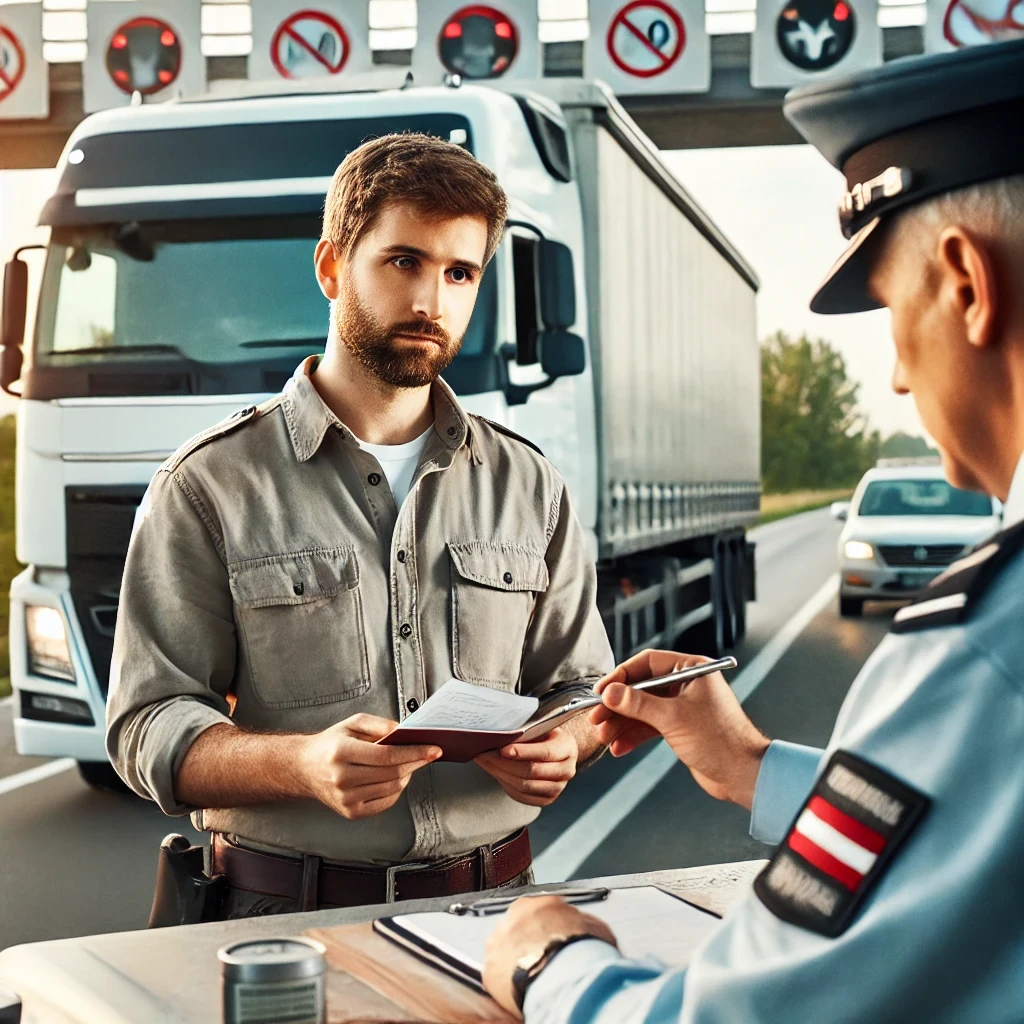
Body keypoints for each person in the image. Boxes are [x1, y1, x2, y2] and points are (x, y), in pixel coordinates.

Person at [482, 38, 1024, 1022]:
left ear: (964, 284)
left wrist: (549, 960)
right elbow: (967, 824)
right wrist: (750, 767)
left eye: (893, 311)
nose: (898, 377)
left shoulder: (985, 650)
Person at [105, 132, 612, 919]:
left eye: (459, 272)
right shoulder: (208, 484)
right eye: (404, 261)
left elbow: (580, 685)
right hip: (288, 921)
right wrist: (301, 764)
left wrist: (566, 742)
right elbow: (146, 724)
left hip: (503, 910)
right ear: (332, 266)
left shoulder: (529, 483)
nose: (430, 301)